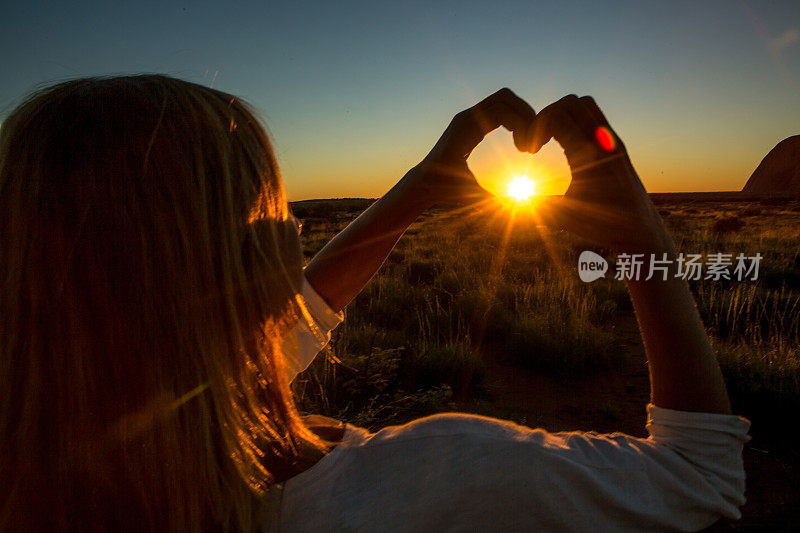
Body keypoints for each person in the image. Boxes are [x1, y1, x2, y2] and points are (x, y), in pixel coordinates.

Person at [0, 75, 748, 532]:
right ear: (251, 270)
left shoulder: (75, 460)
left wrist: (421, 186)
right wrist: (636, 222)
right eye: (275, 211)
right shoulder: (446, 479)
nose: (295, 230)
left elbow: (272, 330)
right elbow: (703, 477)